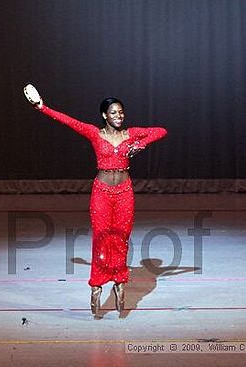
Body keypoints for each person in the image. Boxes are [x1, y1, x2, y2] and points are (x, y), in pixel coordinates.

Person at [24, 86, 167, 316]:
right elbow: (69, 122)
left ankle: (120, 282)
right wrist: (42, 108)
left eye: (121, 112)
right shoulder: (94, 133)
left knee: (121, 238)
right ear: (104, 115)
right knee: (102, 240)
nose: (119, 116)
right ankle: (97, 284)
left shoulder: (130, 134)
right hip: (101, 193)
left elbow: (161, 131)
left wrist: (139, 145)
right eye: (114, 113)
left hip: (124, 193)